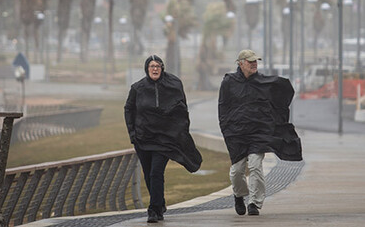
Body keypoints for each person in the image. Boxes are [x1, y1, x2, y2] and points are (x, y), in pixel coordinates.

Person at [218, 49, 302, 216]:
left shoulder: (263, 82)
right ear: (240, 63)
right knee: (237, 171)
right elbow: (223, 107)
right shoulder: (229, 82)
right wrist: (226, 129)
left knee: (255, 165)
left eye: (255, 61)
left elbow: (279, 98)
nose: (254, 64)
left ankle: (254, 203)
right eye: (250, 61)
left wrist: (273, 124)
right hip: (236, 134)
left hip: (258, 133)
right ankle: (239, 195)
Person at [124, 55, 202, 223]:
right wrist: (133, 134)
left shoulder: (173, 85)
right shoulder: (137, 88)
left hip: (165, 140)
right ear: (147, 69)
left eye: (158, 66)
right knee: (148, 175)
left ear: (162, 68)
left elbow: (183, 109)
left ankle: (153, 210)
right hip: (143, 139)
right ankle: (160, 204)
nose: (155, 69)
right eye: (151, 66)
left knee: (156, 172)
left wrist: (180, 132)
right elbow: (128, 109)